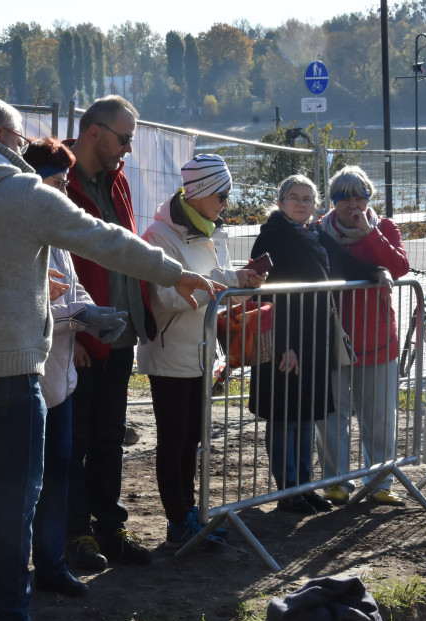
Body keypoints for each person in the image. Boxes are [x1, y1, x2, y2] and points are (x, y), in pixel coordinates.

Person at [0, 96, 221, 621]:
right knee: (12, 496)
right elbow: (103, 238)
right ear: (2, 135)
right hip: (6, 366)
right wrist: (175, 272)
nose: (24, 152)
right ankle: (8, 616)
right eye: (19, 140)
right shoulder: (21, 191)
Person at [137, 154, 265, 547]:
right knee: (174, 438)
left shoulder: (207, 231)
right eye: (222, 194)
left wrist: (239, 287)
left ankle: (189, 511)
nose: (227, 202)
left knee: (193, 436)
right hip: (170, 351)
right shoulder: (158, 236)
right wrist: (227, 281)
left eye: (229, 194)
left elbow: (214, 294)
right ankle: (178, 521)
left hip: (199, 351)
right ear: (200, 193)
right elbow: (165, 297)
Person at [21, 138, 129, 597]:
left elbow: (73, 290)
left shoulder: (57, 232)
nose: (64, 191)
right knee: (26, 482)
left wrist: (91, 314)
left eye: (66, 183)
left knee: (60, 472)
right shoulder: (22, 231)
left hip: (61, 380)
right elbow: (30, 308)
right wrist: (81, 319)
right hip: (31, 378)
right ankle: (12, 570)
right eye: (57, 182)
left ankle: (51, 563)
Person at [248, 174, 391, 515]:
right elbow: (262, 296)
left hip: (313, 342)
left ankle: (305, 485)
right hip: (286, 343)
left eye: (307, 199)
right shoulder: (271, 237)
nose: (300, 203)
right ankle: (288, 491)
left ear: (315, 206)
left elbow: (344, 265)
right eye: (294, 197)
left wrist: (376, 272)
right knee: (285, 418)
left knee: (305, 417)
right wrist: (284, 346)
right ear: (280, 202)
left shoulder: (314, 235)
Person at [63, 95, 155, 569]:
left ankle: (109, 527)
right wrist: (73, 334)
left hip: (119, 336)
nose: (128, 149)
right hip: (80, 340)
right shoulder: (55, 182)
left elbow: (127, 249)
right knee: (74, 442)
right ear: (94, 132)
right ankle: (74, 533)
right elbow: (51, 268)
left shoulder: (116, 181)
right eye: (124, 139)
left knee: (107, 438)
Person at [315, 166, 409, 506]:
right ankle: (336, 481)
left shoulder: (384, 228)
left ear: (369, 199)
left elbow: (399, 267)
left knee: (379, 417)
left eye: (360, 197)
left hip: (378, 339)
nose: (353, 204)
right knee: (330, 417)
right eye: (345, 198)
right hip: (331, 339)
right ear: (333, 202)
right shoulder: (318, 231)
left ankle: (380, 481)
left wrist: (370, 233)